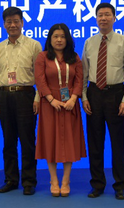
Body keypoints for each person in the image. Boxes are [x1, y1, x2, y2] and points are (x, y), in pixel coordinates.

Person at [80, 3, 124, 200]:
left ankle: (120, 185)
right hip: (94, 93)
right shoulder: (89, 42)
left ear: (114, 18)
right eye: (100, 15)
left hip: (116, 94)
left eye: (107, 15)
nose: (103, 18)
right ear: (96, 19)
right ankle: (97, 184)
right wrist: (84, 97)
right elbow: (84, 73)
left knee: (117, 143)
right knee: (95, 142)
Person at [0, 7, 42, 195]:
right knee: (8, 140)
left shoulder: (34, 45)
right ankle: (11, 180)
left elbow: (40, 75)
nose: (12, 25)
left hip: (26, 95)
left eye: (16, 21)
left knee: (28, 141)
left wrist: (37, 98)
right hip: (4, 96)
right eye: (8, 22)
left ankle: (29, 181)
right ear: (4, 24)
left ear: (22, 23)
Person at [35, 24, 87, 196]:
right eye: (55, 36)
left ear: (68, 39)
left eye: (63, 36)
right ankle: (53, 180)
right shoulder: (42, 57)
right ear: (50, 39)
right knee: (50, 141)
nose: (59, 40)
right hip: (49, 104)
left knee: (68, 142)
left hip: (70, 104)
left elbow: (79, 80)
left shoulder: (74, 57)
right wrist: (51, 99)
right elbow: (40, 80)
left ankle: (65, 180)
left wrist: (73, 98)